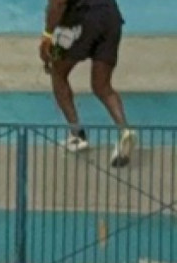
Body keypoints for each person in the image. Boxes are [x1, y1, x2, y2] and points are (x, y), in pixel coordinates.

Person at [39, 0, 136, 167]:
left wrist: (47, 36)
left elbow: (58, 3)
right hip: (111, 18)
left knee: (57, 72)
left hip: (82, 19)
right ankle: (124, 131)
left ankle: (77, 134)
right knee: (102, 86)